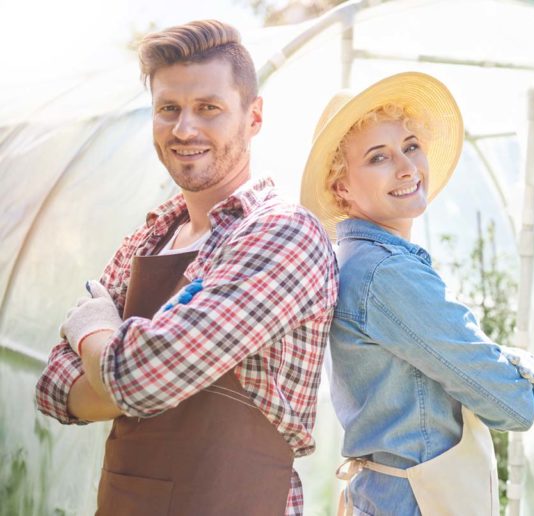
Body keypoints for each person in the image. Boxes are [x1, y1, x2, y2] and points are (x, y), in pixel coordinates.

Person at [35, 20, 338, 516]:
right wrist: (129, 365)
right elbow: (53, 386)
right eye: (168, 109)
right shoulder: (149, 236)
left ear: (254, 116)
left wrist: (93, 330)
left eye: (209, 109)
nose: (184, 129)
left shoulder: (282, 233)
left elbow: (141, 380)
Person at [300, 72, 534, 515]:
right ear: (342, 187)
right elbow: (514, 405)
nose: (407, 167)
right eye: (378, 157)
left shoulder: (356, 260)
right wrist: (518, 364)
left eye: (410, 146)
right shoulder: (387, 273)